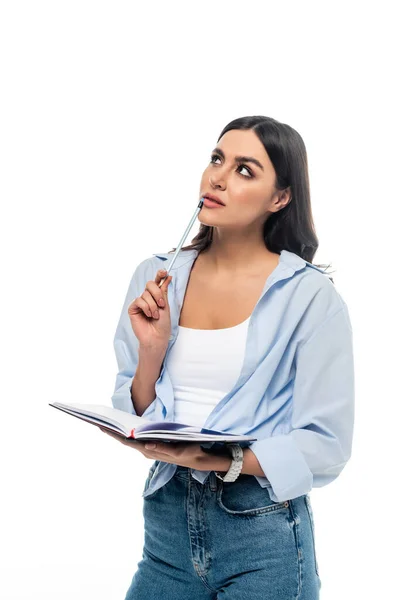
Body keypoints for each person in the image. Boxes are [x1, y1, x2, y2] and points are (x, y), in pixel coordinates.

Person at [103, 115, 355, 599]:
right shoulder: (156, 277)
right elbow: (132, 411)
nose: (218, 176)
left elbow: (327, 444)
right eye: (217, 158)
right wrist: (152, 352)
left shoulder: (309, 298)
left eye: (245, 170)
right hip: (167, 526)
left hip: (262, 534)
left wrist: (220, 459)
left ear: (279, 198)